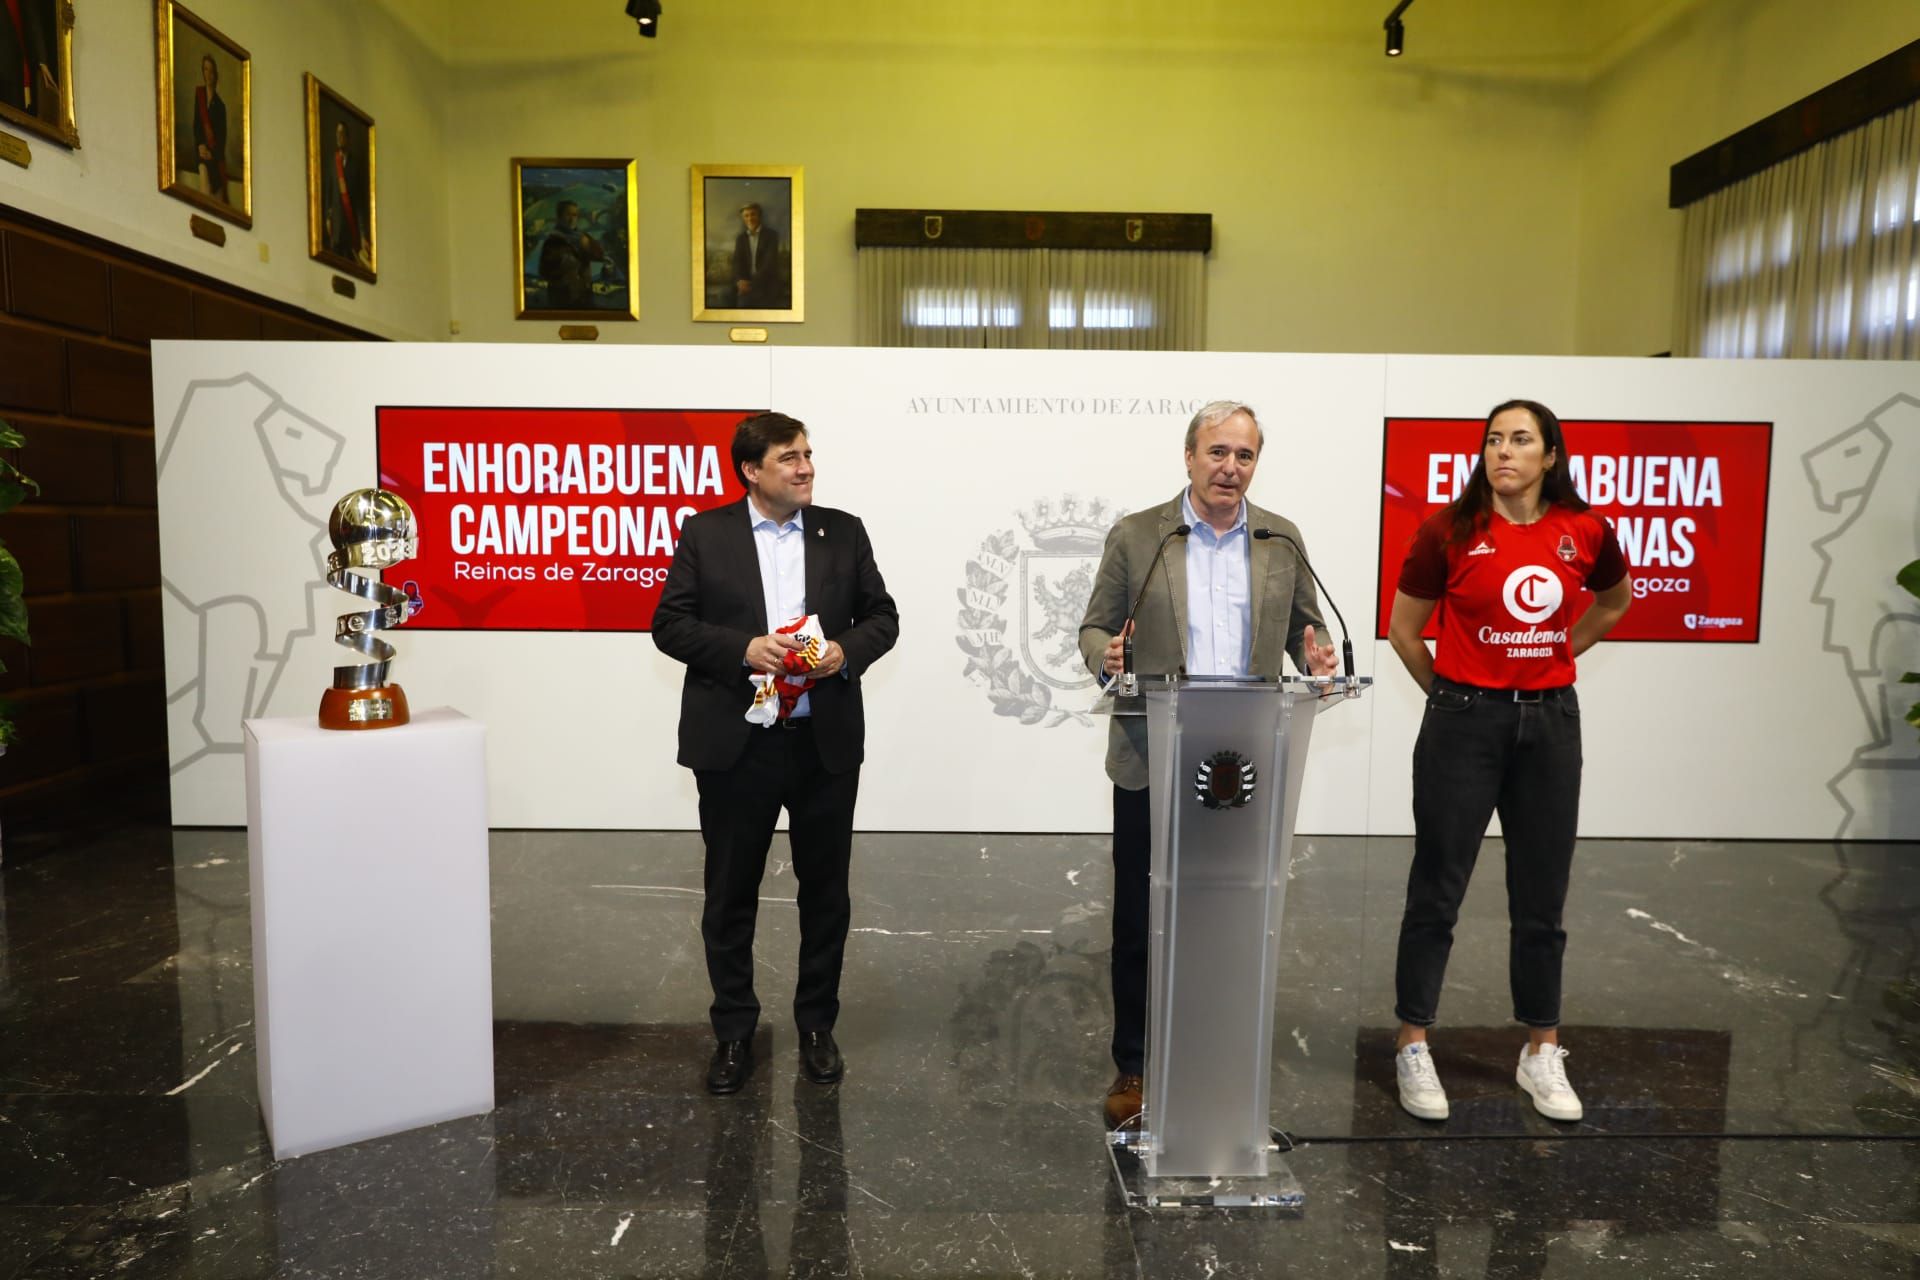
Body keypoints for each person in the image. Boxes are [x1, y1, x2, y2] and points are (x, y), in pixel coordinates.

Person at [1077, 400, 1338, 1130]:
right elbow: (1095, 624)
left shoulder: (1279, 538)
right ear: (1189, 457)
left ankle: (1223, 1059)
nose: (1230, 468)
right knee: (1142, 917)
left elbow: (1302, 627)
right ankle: (1134, 1063)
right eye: (1217, 452)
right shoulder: (1139, 536)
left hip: (1244, 759)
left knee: (1232, 912)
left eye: (1244, 456)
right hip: (1154, 753)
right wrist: (1108, 654)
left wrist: (1313, 654)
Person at [1384, 398, 1632, 1124]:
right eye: (1494, 440)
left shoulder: (1583, 531)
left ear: (1550, 455)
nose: (1504, 452)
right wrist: (1453, 695)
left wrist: (1559, 656)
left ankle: (1540, 1052)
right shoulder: (1449, 530)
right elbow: (1404, 630)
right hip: (1464, 725)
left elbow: (1613, 602)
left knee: (1541, 899)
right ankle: (1412, 1042)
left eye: (1521, 440)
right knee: (1437, 889)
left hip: (1551, 727)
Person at [653, 412, 898, 1095]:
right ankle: (733, 1033)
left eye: (809, 455)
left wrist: (846, 652)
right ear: (751, 471)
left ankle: (817, 1025)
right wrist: (744, 649)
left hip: (822, 742)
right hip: (738, 744)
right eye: (789, 458)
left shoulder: (841, 531)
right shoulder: (706, 533)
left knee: (827, 894)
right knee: (730, 895)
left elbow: (884, 616)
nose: (806, 467)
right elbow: (669, 623)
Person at [538, 200, 607, 309]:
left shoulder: (582, 237)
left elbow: (600, 255)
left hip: (584, 295)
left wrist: (587, 245)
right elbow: (544, 272)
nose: (572, 219)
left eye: (575, 215)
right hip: (562, 297)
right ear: (560, 217)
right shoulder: (552, 241)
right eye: (568, 215)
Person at [323, 121, 370, 267]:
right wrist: (328, 217)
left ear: (348, 138)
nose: (339, 137)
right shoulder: (332, 163)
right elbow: (328, 193)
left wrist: (363, 235)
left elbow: (360, 204)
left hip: (350, 230)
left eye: (342, 134)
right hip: (336, 230)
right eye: (337, 134)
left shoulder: (356, 166)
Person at [731, 203, 787, 309]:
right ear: (743, 218)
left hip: (767, 282)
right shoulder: (741, 238)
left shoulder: (771, 235)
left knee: (746, 304)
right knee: (726, 296)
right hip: (745, 283)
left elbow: (769, 264)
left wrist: (750, 284)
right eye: (746, 216)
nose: (750, 218)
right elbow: (737, 262)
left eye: (753, 214)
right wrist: (740, 281)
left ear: (759, 216)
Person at [192, 55, 228, 202]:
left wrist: (212, 153)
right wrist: (200, 145)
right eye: (206, 69)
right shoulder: (199, 94)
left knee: (217, 190)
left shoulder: (220, 106)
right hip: (200, 152)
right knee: (203, 172)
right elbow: (196, 124)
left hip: (214, 155)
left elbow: (222, 137)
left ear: (215, 74)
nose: (208, 74)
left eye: (211, 71)